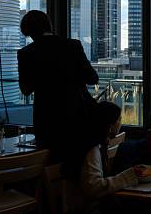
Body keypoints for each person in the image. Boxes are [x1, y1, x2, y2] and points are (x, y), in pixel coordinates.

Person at [63, 101, 140, 214]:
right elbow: (93, 187)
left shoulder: (89, 144)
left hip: (83, 211)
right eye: (118, 119)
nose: (120, 122)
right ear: (109, 125)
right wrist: (128, 176)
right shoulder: (92, 150)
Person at [18, 10, 98, 161]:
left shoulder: (26, 53)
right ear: (49, 25)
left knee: (50, 166)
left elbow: (25, 89)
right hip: (77, 119)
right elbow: (93, 78)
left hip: (47, 122)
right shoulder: (73, 46)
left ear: (28, 31)